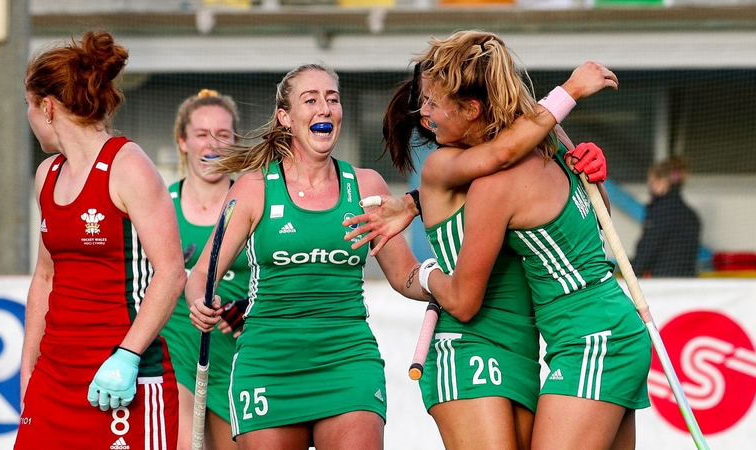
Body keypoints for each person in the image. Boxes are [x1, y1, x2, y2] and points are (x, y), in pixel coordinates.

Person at [347, 31, 650, 450]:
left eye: (433, 103)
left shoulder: (511, 167)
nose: (423, 113)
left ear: (472, 109)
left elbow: (504, 159)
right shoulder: (545, 139)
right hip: (518, 342)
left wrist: (592, 175)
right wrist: (416, 208)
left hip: (580, 339)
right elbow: (505, 161)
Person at [185, 63, 429, 450]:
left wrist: (446, 279)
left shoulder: (366, 185)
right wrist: (200, 300)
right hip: (268, 364)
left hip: (348, 362)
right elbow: (202, 274)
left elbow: (406, 276)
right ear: (286, 118)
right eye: (310, 99)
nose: (324, 108)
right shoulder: (253, 189)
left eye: (333, 99)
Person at [15, 30, 184, 449]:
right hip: (54, 380)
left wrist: (126, 356)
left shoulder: (129, 167)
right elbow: (45, 278)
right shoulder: (47, 175)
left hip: (122, 381)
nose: (29, 116)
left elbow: (171, 272)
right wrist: (28, 371)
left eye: (28, 107)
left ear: (47, 108)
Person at [160, 89, 249, 450]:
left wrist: (250, 306)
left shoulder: (255, 199)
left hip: (238, 356)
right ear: (183, 141)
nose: (211, 144)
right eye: (201, 134)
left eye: (222, 135)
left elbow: (280, 272)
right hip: (178, 350)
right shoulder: (160, 205)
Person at [632, 156, 701, 277]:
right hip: (688, 283)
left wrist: (631, 275)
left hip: (663, 283)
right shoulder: (691, 216)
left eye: (652, 182)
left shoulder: (660, 212)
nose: (650, 187)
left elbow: (647, 248)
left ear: (662, 181)